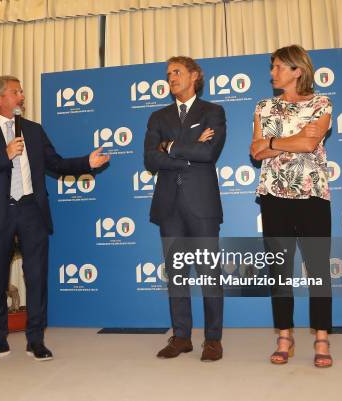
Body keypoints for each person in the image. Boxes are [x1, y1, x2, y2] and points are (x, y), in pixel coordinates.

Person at [0, 75, 109, 363]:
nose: (22, 96)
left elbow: (55, 163)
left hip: (31, 210)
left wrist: (86, 163)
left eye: (21, 91)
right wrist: (4, 155)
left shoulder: (33, 130)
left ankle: (36, 340)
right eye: (16, 92)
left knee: (37, 276)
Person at [250, 44, 334, 368]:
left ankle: (322, 338)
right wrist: (287, 140)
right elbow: (256, 152)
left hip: (313, 195)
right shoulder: (262, 107)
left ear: (297, 70)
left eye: (278, 67)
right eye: (272, 67)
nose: (272, 73)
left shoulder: (322, 102)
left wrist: (272, 142)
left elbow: (310, 143)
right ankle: (284, 336)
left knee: (318, 271)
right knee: (279, 271)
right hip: (273, 196)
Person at [144, 56, 226, 362]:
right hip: (169, 206)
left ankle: (213, 340)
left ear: (195, 76)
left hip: (201, 205)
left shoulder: (213, 112)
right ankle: (181, 337)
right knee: (176, 275)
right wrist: (190, 145)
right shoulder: (158, 117)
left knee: (209, 275)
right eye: (168, 74)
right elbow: (150, 159)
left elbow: (210, 152)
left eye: (177, 72)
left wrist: (171, 146)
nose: (170, 77)